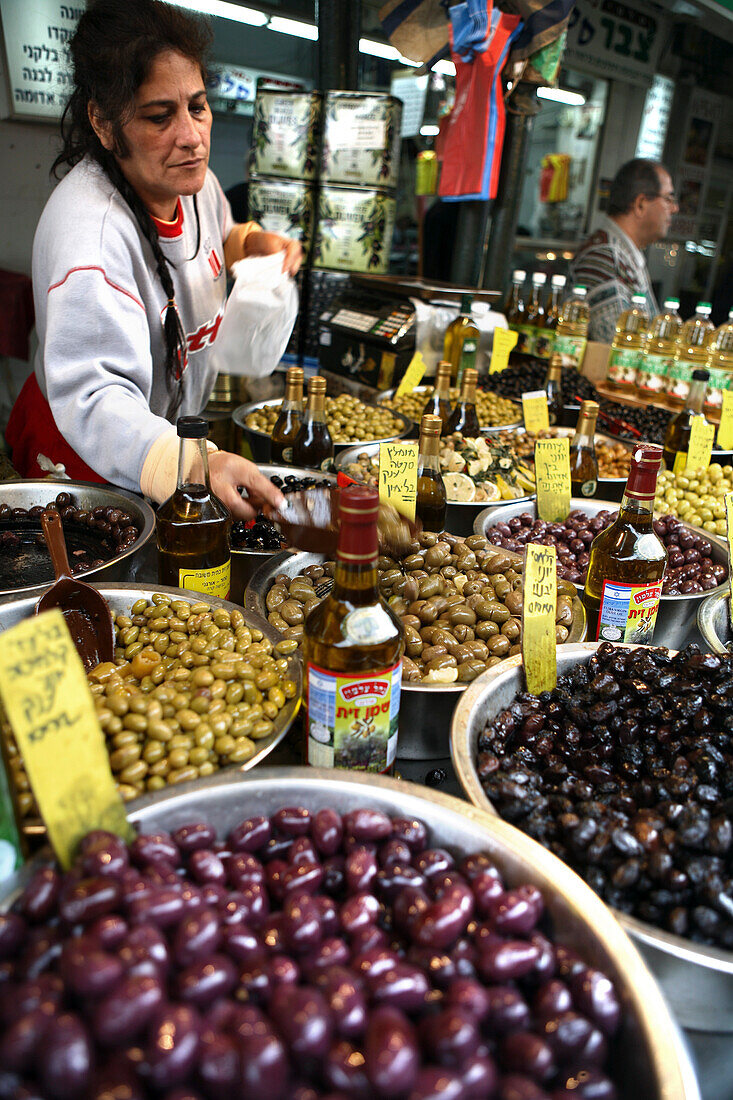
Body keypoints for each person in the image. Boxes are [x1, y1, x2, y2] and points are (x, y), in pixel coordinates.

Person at [6, 0, 302, 519]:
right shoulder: (91, 240)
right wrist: (191, 464)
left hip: (169, 440)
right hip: (87, 450)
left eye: (197, 106)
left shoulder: (195, 184)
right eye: (159, 116)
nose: (190, 136)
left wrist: (251, 244)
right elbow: (95, 399)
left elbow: (211, 244)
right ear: (102, 122)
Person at [570, 158, 679, 343]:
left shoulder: (624, 254)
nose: (674, 208)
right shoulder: (604, 258)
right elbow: (615, 346)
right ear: (640, 204)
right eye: (668, 199)